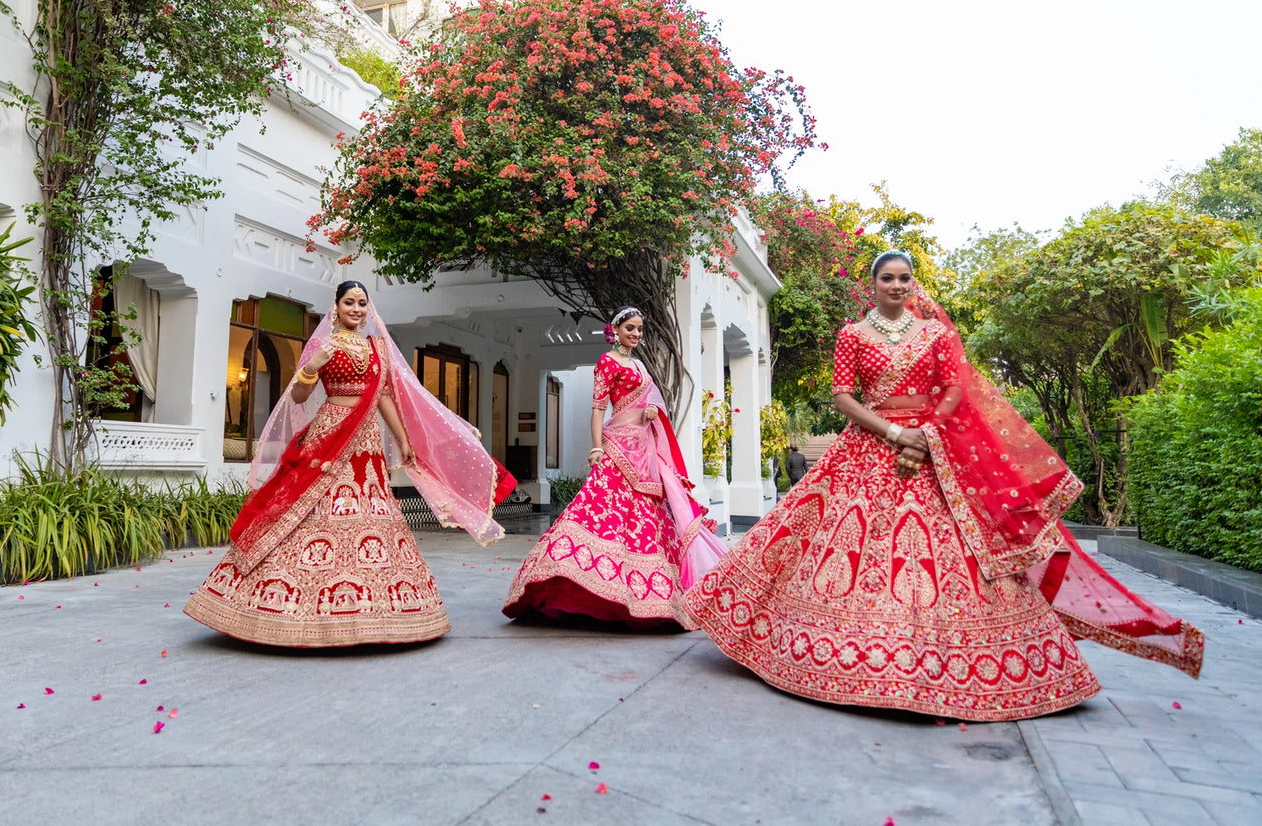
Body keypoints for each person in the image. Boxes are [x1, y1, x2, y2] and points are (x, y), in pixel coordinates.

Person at [684, 252, 1204, 720]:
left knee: (961, 552)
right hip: (868, 448)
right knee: (835, 541)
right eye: (887, 278)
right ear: (872, 284)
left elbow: (954, 389)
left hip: (935, 453)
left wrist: (926, 437)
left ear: (913, 283)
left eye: (904, 278)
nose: (897, 285)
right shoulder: (852, 335)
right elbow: (843, 398)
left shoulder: (934, 334)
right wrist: (896, 434)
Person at [185, 280, 514, 647]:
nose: (356, 309)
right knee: (312, 508)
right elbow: (299, 396)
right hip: (330, 434)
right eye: (349, 303)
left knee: (372, 509)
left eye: (361, 303)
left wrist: (403, 439)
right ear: (336, 306)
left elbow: (384, 396)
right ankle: (284, 606)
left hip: (366, 441)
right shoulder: (323, 345)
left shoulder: (377, 348)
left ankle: (380, 610)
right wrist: (311, 367)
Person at [503, 306, 727, 628]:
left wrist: (652, 409)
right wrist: (596, 447)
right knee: (600, 511)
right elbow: (598, 408)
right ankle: (579, 581)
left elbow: (652, 400)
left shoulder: (639, 364)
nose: (636, 334)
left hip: (644, 451)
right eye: (630, 328)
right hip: (617, 447)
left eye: (639, 329)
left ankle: (650, 596)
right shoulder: (607, 362)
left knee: (647, 517)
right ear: (615, 330)